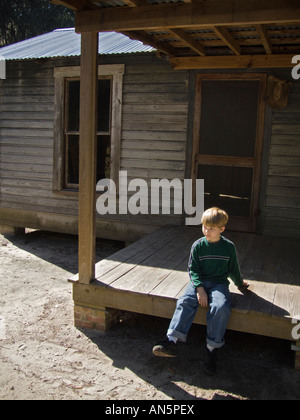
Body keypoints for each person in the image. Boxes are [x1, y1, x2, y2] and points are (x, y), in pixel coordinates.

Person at [152, 207, 249, 375]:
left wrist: (240, 284)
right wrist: (199, 289)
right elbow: (193, 270)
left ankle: (212, 349)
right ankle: (171, 340)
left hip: (219, 283)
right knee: (185, 301)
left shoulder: (228, 248)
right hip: (200, 282)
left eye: (211, 228)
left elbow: (233, 269)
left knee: (221, 307)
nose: (206, 231)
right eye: (204, 226)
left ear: (221, 229)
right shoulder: (198, 246)